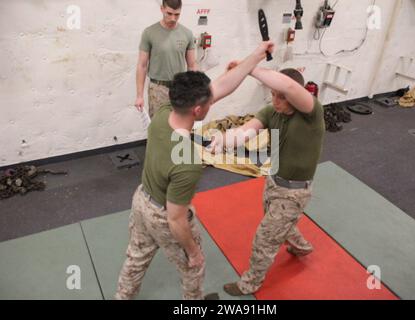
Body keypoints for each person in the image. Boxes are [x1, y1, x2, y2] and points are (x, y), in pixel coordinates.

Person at [114, 41, 275, 300]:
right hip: (164, 215)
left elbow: (220, 87)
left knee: (135, 259)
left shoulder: (163, 114)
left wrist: (256, 55)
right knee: (193, 269)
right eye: (209, 103)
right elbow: (176, 220)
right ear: (198, 110)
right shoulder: (188, 162)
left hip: (141, 201)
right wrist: (193, 252)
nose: (213, 103)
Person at [210, 66, 325, 296]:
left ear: (296, 94)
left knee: (265, 238)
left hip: (294, 194)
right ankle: (302, 247)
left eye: (281, 96)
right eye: (272, 94)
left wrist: (249, 67)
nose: (276, 100)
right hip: (273, 182)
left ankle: (249, 284)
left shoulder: (312, 113)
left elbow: (289, 86)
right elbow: (245, 131)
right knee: (282, 225)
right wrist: (223, 139)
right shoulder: (272, 111)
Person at [135, 0, 197, 118]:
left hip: (180, 88)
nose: (173, 18)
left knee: (178, 127)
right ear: (162, 9)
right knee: (158, 127)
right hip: (158, 89)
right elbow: (142, 66)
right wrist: (139, 96)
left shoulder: (187, 34)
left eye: (177, 14)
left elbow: (192, 65)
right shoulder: (149, 33)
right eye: (169, 13)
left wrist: (193, 90)